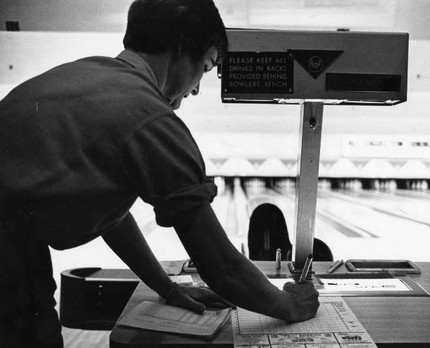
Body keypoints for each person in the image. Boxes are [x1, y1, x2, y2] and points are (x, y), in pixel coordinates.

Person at [0, 0, 319, 346]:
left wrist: (167, 287)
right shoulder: (151, 118)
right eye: (206, 67)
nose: (197, 88)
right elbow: (220, 266)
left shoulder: (81, 77)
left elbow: (110, 217)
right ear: (182, 46)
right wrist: (290, 304)